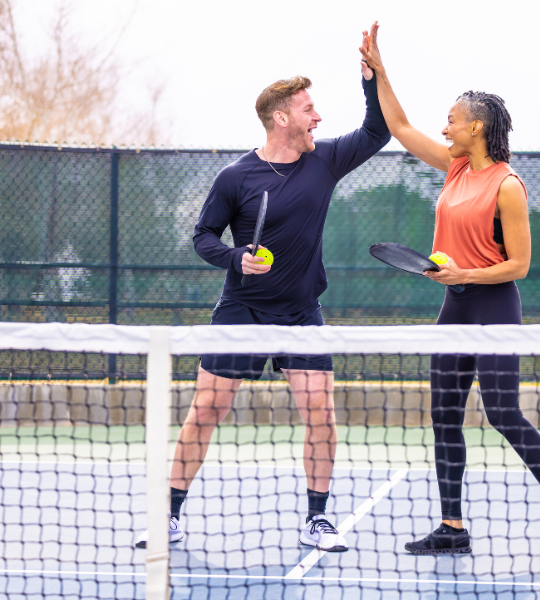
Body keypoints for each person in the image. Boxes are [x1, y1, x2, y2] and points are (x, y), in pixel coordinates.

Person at [135, 41, 391, 553]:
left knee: (320, 410)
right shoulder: (236, 178)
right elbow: (204, 236)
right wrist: (235, 258)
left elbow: (376, 131)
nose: (318, 117)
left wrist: (372, 79)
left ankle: (317, 519)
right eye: (308, 109)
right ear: (281, 118)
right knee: (206, 407)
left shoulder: (326, 161)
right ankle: (169, 516)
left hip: (301, 311)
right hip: (242, 309)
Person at [359, 22, 540, 563]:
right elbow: (400, 124)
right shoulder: (455, 167)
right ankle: (452, 526)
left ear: (477, 127)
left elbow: (521, 265)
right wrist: (379, 73)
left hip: (493, 303)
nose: (446, 127)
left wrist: (465, 274)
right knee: (444, 413)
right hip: (454, 304)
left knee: (504, 412)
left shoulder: (507, 185)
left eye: (454, 120)